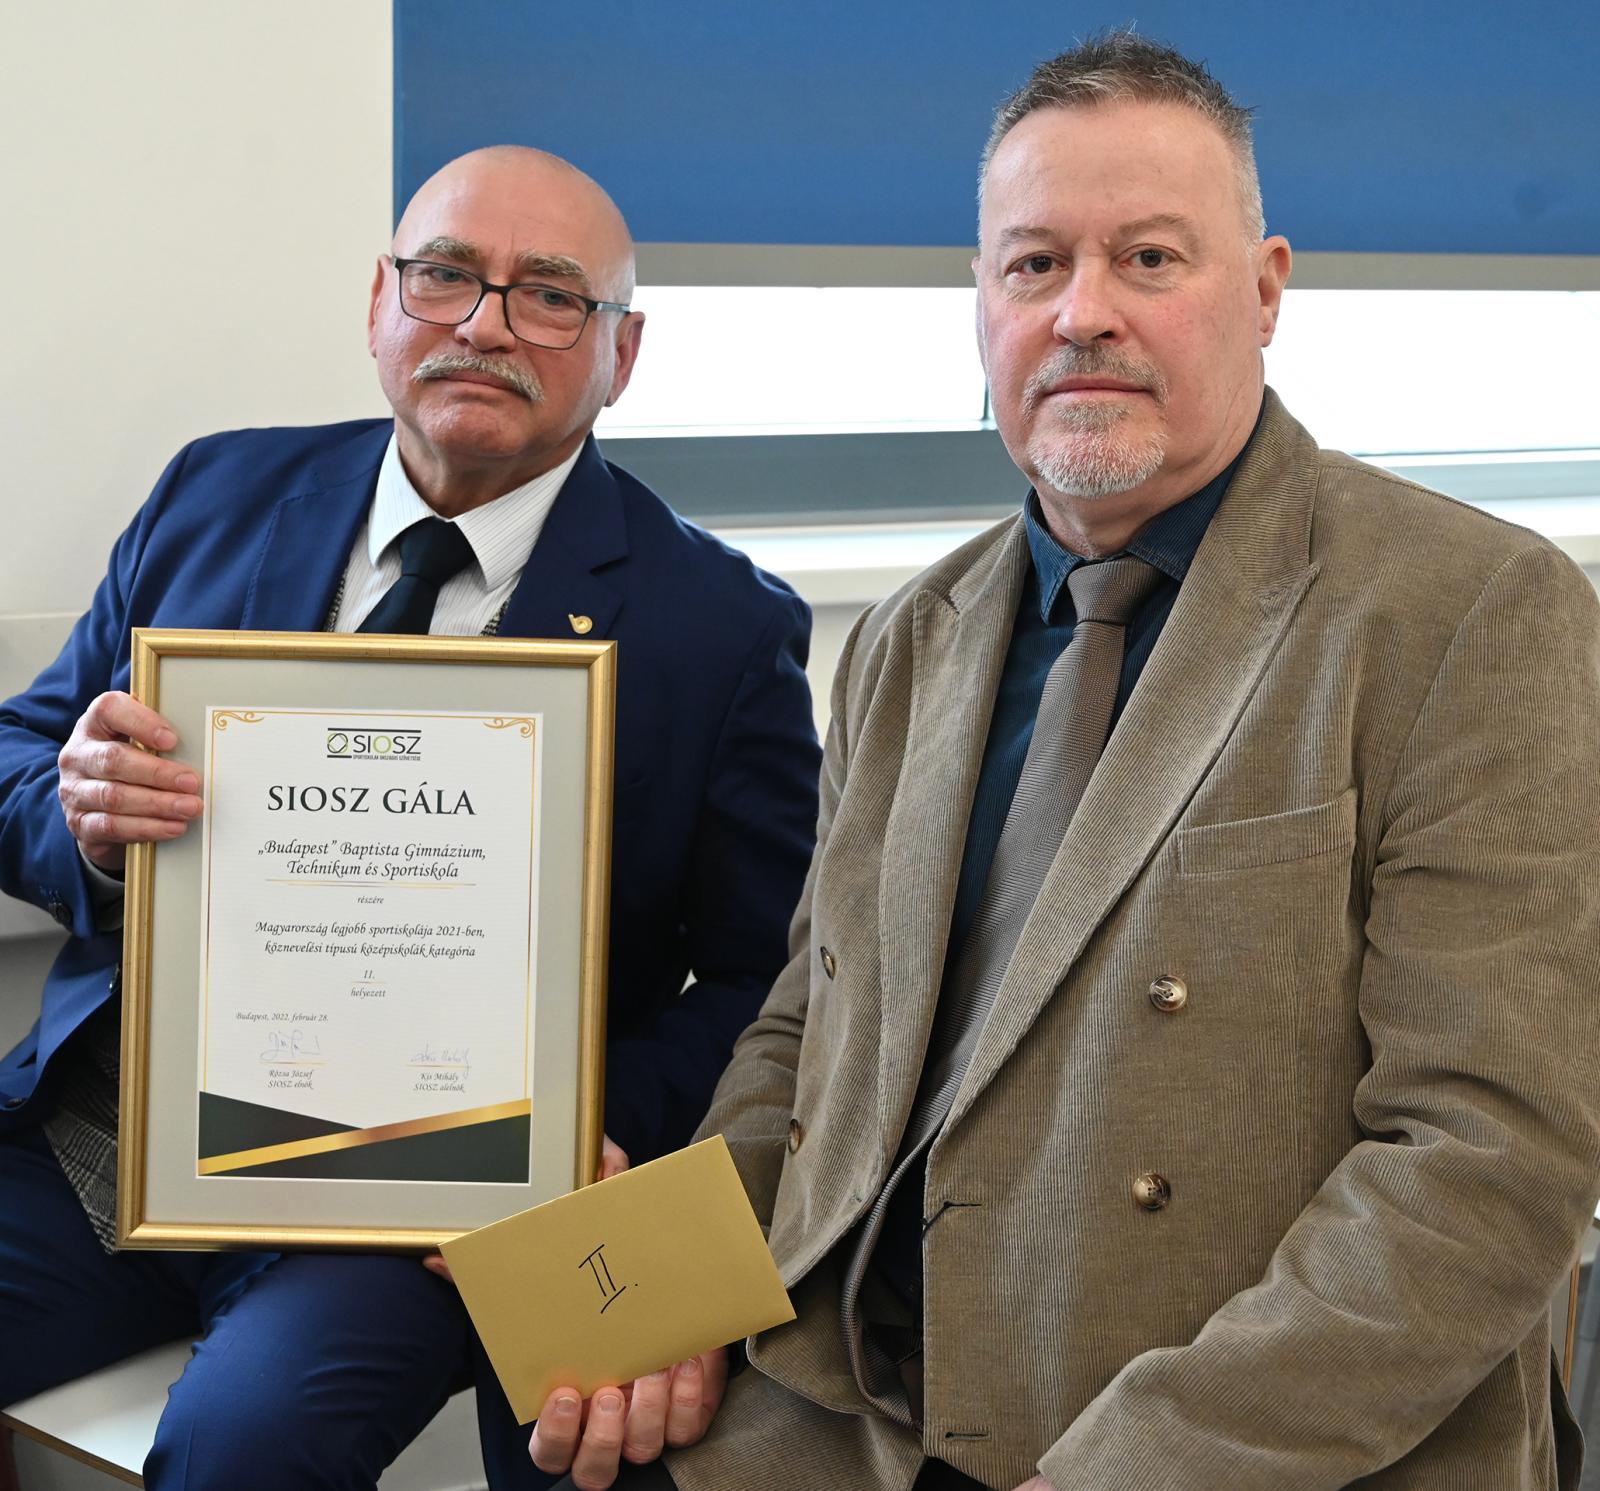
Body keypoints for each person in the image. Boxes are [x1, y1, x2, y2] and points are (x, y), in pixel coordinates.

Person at [531, 32, 1600, 1491]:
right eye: (1035, 265)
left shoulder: (1466, 611)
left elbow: (1485, 1154)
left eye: (1149, 259)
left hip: (1216, 1444)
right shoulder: (908, 638)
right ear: (982, 305)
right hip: (847, 1417)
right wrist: (665, 1299)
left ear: (1266, 290)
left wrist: (1138, 1472)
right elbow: (805, 1034)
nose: (1083, 313)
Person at [0, 145, 821, 1490]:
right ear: (381, 300)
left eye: (549, 295)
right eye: (445, 276)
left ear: (621, 354)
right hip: (108, 1138)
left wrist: (575, 1126)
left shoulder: (720, 629)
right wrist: (82, 820)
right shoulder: (215, 493)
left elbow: (766, 977)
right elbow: (20, 756)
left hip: (409, 1204)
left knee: (245, 1451)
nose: (484, 325)